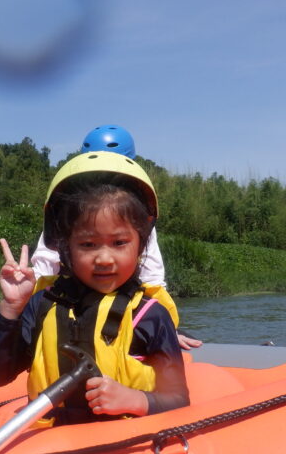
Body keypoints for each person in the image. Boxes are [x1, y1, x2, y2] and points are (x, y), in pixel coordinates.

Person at [0, 151, 190, 426]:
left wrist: (135, 400)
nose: (104, 258)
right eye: (88, 244)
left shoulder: (151, 316)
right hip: (52, 445)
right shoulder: (41, 305)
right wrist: (11, 309)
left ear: (140, 245)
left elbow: (179, 399)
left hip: (124, 444)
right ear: (65, 247)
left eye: (119, 243)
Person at [30, 124, 202, 350]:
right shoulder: (74, 221)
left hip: (118, 311)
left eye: (118, 242)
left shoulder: (128, 221)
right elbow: (44, 268)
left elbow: (152, 278)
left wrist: (160, 329)